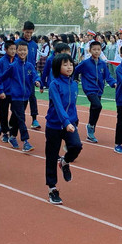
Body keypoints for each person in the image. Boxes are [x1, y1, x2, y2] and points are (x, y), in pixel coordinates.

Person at [44, 54, 83, 205]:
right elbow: (59, 106)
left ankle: (65, 161)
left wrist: (74, 120)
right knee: (51, 156)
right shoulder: (54, 85)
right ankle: (52, 188)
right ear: (57, 67)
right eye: (65, 65)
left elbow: (72, 105)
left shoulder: (74, 84)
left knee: (76, 146)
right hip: (54, 125)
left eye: (71, 64)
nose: (69, 67)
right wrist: (66, 122)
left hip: (70, 123)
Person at [0, 42, 40, 152]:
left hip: (25, 97)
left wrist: (37, 81)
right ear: (17, 51)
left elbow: (35, 75)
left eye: (24, 50)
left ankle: (12, 136)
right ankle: (25, 141)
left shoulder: (29, 66)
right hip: (16, 97)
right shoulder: (13, 66)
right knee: (22, 118)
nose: (22, 52)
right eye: (20, 50)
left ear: (28, 51)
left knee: (17, 118)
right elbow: (2, 77)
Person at [75, 41, 116, 143]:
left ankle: (91, 128)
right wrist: (74, 79)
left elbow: (108, 76)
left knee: (94, 109)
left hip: (99, 90)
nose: (97, 51)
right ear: (90, 50)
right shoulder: (85, 63)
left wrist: (114, 83)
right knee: (98, 106)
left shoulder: (103, 64)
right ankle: (91, 127)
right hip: (89, 89)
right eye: (94, 49)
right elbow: (75, 70)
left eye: (98, 49)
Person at [17, 21, 41, 130]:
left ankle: (34, 119)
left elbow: (34, 61)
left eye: (31, 33)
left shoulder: (34, 45)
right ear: (23, 30)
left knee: (32, 97)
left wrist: (35, 77)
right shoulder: (17, 43)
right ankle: (17, 119)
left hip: (30, 75)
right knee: (21, 99)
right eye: (27, 32)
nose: (29, 35)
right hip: (18, 75)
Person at [0, 40, 17, 142]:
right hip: (4, 92)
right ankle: (4, 132)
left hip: (15, 92)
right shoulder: (1, 62)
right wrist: (0, 90)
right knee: (3, 113)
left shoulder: (18, 61)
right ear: (5, 49)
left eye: (14, 49)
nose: (13, 51)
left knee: (16, 112)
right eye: (11, 49)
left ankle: (11, 126)